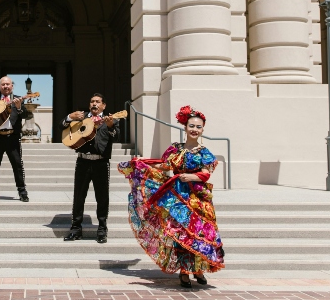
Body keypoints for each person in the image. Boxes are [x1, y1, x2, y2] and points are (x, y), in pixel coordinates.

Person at [117, 105, 224, 288]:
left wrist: (192, 176)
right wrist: (143, 165)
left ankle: (198, 269)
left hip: (197, 198)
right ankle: (184, 271)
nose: (195, 130)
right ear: (185, 127)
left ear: (203, 129)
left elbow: (206, 173)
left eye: (198, 127)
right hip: (176, 195)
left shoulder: (204, 152)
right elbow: (164, 165)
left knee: (199, 233)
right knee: (180, 233)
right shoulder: (175, 149)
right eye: (191, 126)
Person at [61, 93, 119, 244]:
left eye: (98, 102)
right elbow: (63, 126)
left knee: (102, 197)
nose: (94, 104)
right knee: (79, 196)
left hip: (101, 163)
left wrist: (110, 125)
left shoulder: (111, 119)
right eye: (92, 101)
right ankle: (75, 229)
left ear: (103, 105)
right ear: (89, 105)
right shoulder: (80, 117)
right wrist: (69, 117)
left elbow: (116, 136)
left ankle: (101, 230)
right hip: (83, 162)